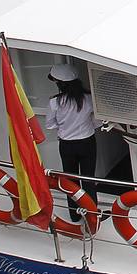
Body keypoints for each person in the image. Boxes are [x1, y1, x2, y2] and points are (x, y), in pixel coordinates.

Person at [46, 64, 98, 220]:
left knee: (70, 181)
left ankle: (74, 215)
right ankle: (92, 214)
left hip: (67, 145)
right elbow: (97, 121)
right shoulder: (88, 98)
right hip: (87, 142)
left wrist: (64, 129)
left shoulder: (54, 102)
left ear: (60, 84)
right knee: (89, 179)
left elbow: (49, 124)